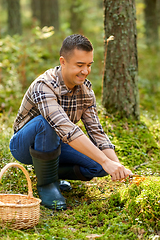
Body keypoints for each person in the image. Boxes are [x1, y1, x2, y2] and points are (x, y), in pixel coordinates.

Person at [9, 34, 132, 210]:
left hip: (57, 144)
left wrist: (117, 165)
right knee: (46, 123)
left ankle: (49, 174)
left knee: (100, 166)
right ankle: (47, 185)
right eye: (80, 65)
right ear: (63, 61)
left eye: (89, 65)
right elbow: (66, 129)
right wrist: (106, 161)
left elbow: (97, 132)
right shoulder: (44, 85)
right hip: (25, 146)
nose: (85, 71)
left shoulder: (86, 91)